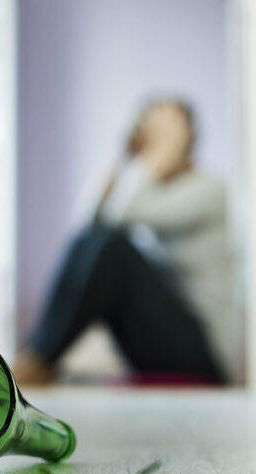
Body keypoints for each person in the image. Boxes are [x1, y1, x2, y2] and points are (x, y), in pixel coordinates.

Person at [13, 98, 238, 386]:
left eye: (165, 129)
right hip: (158, 340)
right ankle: (35, 356)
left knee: (116, 248)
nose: (155, 137)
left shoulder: (210, 189)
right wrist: (121, 157)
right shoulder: (145, 190)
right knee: (98, 242)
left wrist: (154, 158)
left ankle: (39, 360)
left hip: (204, 353)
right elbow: (88, 226)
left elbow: (120, 217)